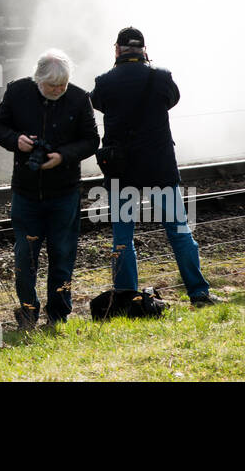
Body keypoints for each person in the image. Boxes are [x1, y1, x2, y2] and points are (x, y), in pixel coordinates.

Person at [90, 27, 213, 306]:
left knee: (123, 239)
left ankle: (126, 299)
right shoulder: (161, 77)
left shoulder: (104, 81)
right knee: (179, 232)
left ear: (117, 50)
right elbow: (172, 100)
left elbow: (98, 103)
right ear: (144, 50)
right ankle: (198, 293)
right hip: (159, 169)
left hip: (121, 172)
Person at [0, 48, 99, 326]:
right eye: (52, 85)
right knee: (25, 258)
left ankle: (58, 314)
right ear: (38, 79)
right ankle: (28, 312)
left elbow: (91, 140)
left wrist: (62, 156)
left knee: (62, 255)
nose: (59, 89)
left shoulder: (78, 97)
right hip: (26, 192)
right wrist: (17, 141)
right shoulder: (17, 92)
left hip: (64, 191)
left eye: (63, 84)